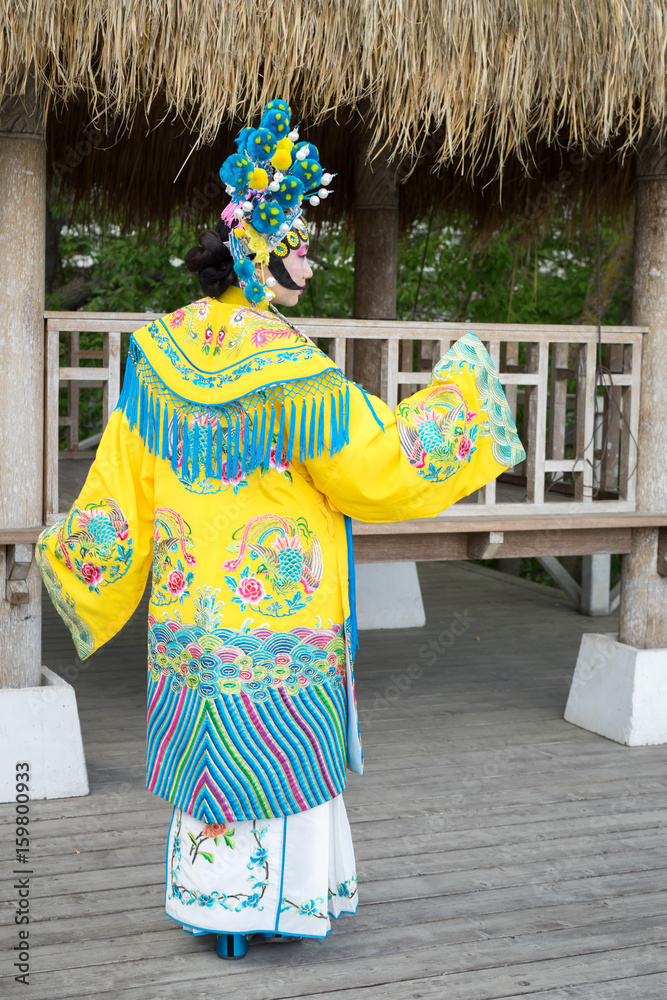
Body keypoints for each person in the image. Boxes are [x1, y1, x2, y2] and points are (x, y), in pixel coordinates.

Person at [37, 99, 525, 959]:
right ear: (258, 255)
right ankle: (276, 908)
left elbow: (120, 482)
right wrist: (461, 391)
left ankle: (211, 905)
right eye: (299, 247)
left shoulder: (157, 354)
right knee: (277, 758)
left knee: (213, 757)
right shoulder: (292, 369)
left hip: (193, 615)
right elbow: (378, 466)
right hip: (277, 612)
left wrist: (81, 559)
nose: (309, 261)